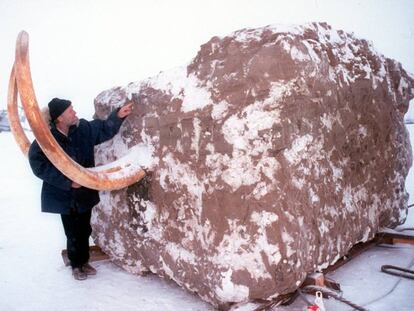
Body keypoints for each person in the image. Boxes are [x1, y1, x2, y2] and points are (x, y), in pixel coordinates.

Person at [28, 97, 132, 280]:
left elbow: (103, 129)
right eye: (70, 110)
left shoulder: (83, 129)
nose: (74, 112)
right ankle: (76, 265)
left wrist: (118, 116)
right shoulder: (46, 139)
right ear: (59, 118)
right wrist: (67, 182)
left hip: (84, 192)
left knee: (84, 228)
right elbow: (38, 165)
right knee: (72, 231)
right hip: (63, 194)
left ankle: (84, 261)